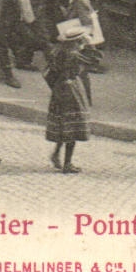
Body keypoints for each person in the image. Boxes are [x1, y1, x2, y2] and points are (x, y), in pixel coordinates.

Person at [46, 23, 98, 173]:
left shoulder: (58, 51)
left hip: (59, 89)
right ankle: (67, 163)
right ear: (78, 41)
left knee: (64, 124)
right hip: (71, 90)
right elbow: (94, 62)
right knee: (73, 125)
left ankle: (56, 154)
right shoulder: (73, 54)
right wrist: (91, 45)